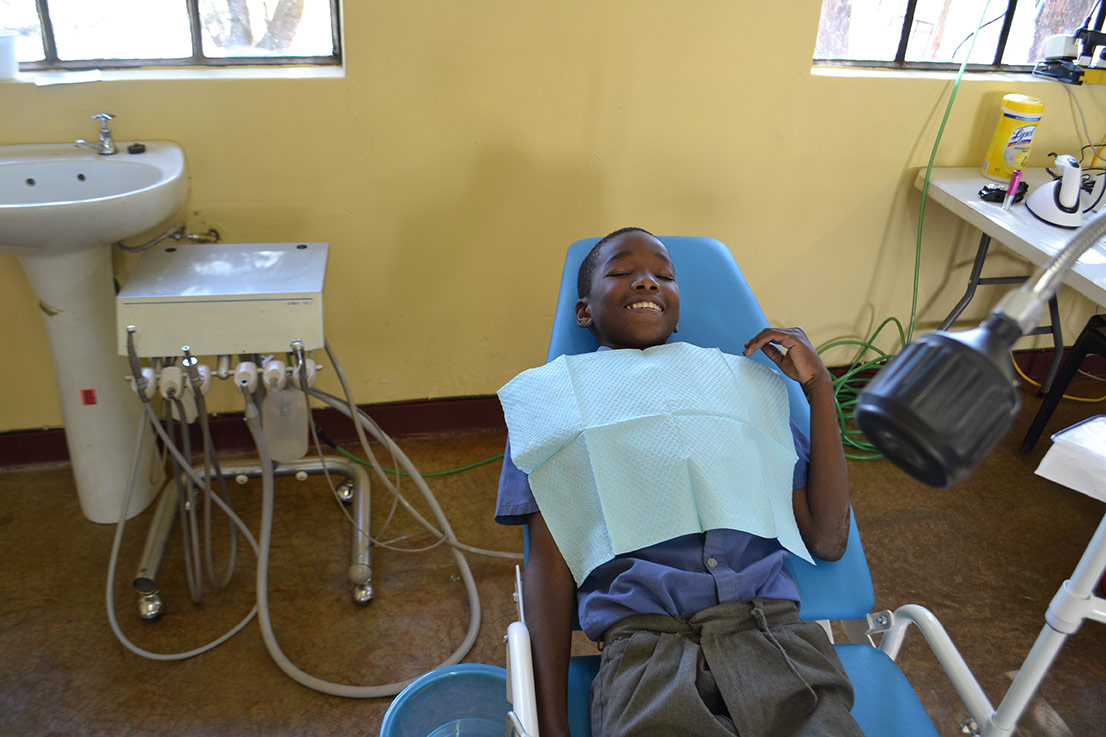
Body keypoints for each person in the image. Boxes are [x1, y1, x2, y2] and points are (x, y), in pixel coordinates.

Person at [495, 227, 863, 737]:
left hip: (774, 638)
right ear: (583, 312)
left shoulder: (746, 389)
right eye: (622, 272)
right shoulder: (550, 406)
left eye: (663, 276)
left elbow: (827, 539)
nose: (647, 282)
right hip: (649, 654)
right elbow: (550, 570)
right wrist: (552, 727)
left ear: (677, 305)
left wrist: (819, 388)